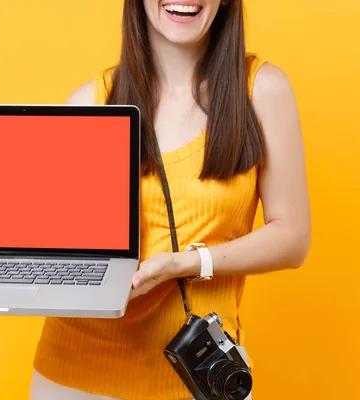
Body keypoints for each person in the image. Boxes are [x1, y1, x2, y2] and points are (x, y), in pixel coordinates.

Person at [30, 0, 311, 399]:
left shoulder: (262, 90)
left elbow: (292, 238)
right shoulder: (90, 103)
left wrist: (188, 263)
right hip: (73, 377)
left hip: (198, 375)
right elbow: (53, 240)